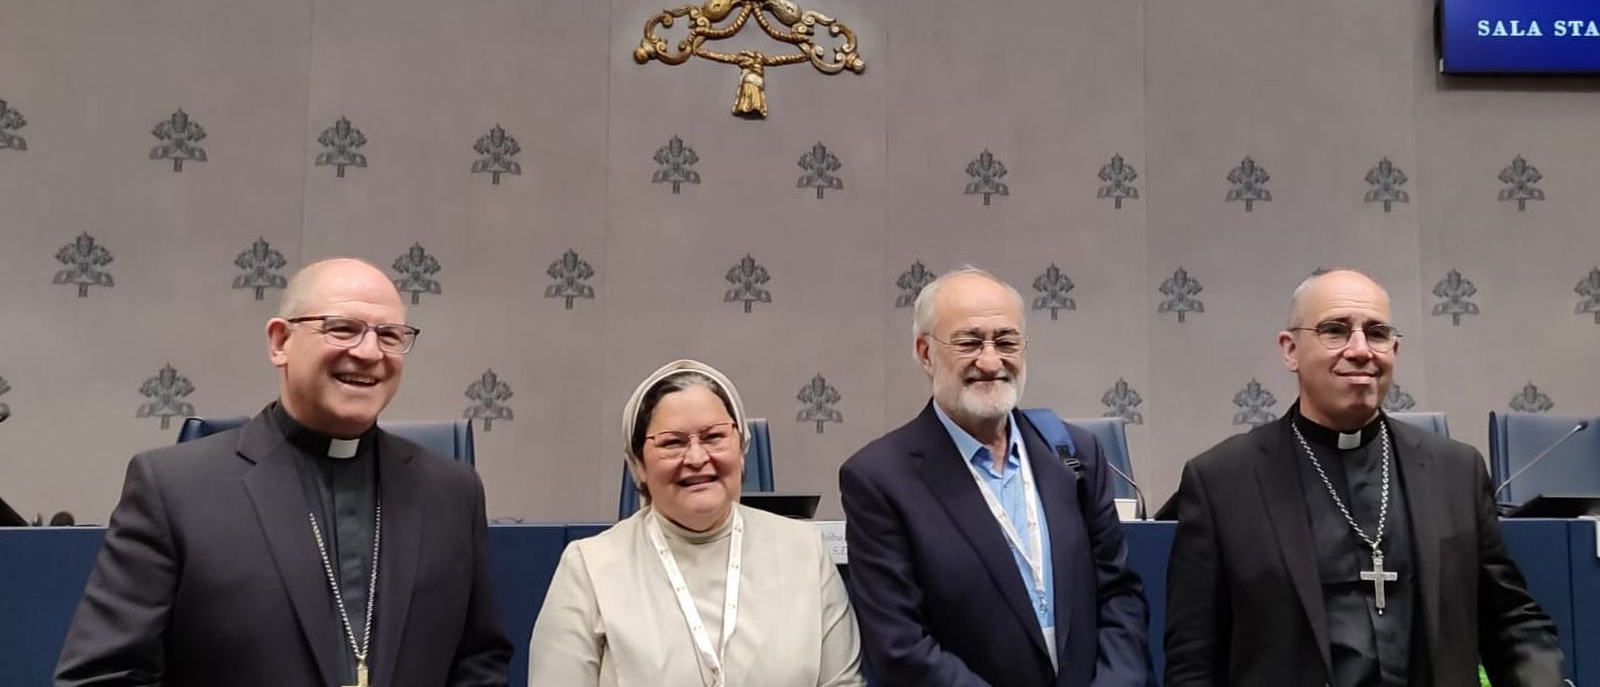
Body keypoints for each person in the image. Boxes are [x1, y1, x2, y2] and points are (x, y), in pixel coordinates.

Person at [55, 258, 512, 687]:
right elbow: (105, 677)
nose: (370, 352)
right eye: (343, 329)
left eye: (390, 336)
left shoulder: (453, 492)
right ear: (280, 342)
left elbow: (479, 663)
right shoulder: (173, 488)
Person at [1164, 268, 1564, 686]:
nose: (1360, 350)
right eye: (1335, 331)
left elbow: (1512, 622)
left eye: (1376, 333)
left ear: (1394, 348)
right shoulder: (1222, 482)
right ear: (1290, 350)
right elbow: (1193, 660)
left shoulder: (1455, 472)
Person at [839, 266, 1153, 686]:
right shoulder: (880, 479)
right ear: (925, 353)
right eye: (969, 342)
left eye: (1006, 341)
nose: (990, 361)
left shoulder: (1076, 455)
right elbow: (902, 645)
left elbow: (1119, 597)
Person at [528, 359, 864, 687]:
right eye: (672, 442)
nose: (697, 457)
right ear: (639, 465)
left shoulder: (805, 551)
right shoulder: (589, 566)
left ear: (741, 448)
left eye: (714, 437)